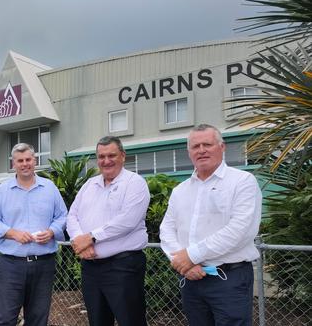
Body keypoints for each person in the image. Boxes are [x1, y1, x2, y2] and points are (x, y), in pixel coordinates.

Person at [160, 124, 262, 326]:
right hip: (190, 280)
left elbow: (240, 230)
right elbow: (166, 230)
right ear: (189, 152)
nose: (201, 150)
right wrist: (183, 264)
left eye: (207, 144)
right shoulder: (180, 190)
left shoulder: (242, 182)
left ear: (222, 147)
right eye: (195, 146)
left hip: (229, 279)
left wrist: (191, 256)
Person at [67, 136, 150, 326]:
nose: (106, 161)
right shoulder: (89, 185)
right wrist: (80, 241)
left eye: (111, 155)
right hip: (91, 267)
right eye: (101, 156)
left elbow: (127, 221)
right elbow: (72, 216)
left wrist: (91, 237)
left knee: (131, 321)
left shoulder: (134, 183)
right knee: (97, 321)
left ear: (122, 156)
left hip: (123, 267)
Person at [0, 143, 68, 326]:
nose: (24, 164)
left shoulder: (49, 188)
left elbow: (63, 216)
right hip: (11, 265)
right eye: (20, 160)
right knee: (5, 319)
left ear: (35, 160)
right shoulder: (2, 191)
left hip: (44, 264)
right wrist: (12, 233)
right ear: (13, 163)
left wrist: (52, 231)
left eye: (28, 159)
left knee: (38, 319)